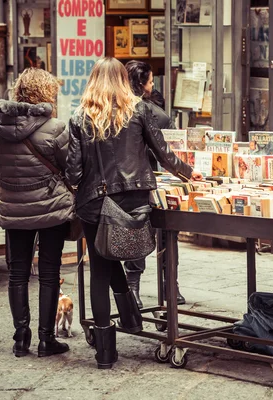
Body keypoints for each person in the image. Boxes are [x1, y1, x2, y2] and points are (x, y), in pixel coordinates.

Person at [66, 57, 202, 369]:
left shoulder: (79, 115)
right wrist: (187, 172)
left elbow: (72, 172)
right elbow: (162, 153)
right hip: (134, 200)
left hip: (94, 203)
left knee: (100, 266)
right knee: (112, 257)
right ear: (123, 80)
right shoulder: (137, 110)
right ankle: (130, 317)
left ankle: (105, 351)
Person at [0, 68, 74, 358]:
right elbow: (71, 168)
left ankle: (20, 337)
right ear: (46, 94)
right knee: (49, 273)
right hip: (50, 208)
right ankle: (46, 340)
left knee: (17, 273)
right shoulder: (56, 128)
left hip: (14, 207)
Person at [125, 60, 188, 308]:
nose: (153, 85)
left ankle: (135, 288)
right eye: (150, 81)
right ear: (142, 84)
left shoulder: (123, 109)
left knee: (138, 234)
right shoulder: (150, 112)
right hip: (153, 180)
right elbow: (169, 148)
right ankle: (169, 286)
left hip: (139, 183)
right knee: (164, 234)